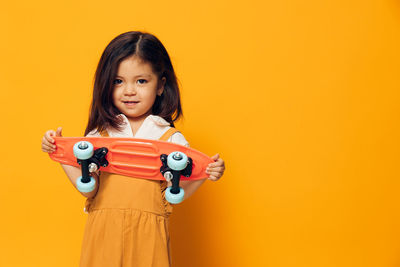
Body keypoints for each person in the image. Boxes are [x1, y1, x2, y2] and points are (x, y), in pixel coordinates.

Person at [41, 31, 225, 267]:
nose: (129, 90)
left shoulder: (170, 139)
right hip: (104, 233)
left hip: (149, 236)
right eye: (118, 81)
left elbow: (177, 193)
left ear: (160, 85)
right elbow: (89, 189)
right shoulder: (100, 135)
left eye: (141, 81)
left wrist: (206, 173)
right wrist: (60, 153)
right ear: (106, 84)